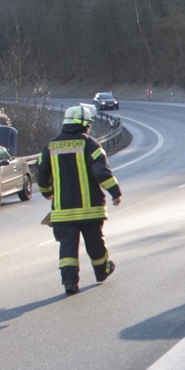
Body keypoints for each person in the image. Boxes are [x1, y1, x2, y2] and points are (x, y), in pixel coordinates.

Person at [36, 104, 122, 295]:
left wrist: (46, 191)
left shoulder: (51, 146)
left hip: (62, 211)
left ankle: (69, 283)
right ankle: (101, 271)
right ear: (84, 124)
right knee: (95, 243)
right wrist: (115, 192)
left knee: (67, 247)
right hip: (90, 210)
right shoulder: (90, 145)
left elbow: (41, 173)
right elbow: (101, 172)